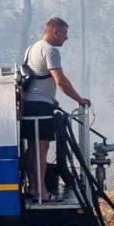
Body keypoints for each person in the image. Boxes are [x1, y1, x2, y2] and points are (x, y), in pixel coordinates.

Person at [21, 17, 91, 202]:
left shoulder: (31, 49)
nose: (66, 39)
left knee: (32, 148)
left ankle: (32, 188)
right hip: (40, 106)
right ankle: (41, 192)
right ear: (56, 31)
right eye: (65, 34)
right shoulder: (50, 50)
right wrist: (79, 99)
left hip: (29, 106)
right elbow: (60, 81)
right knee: (42, 148)